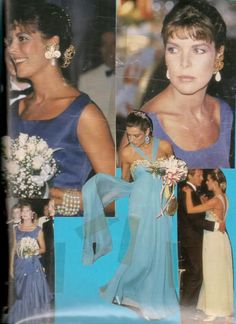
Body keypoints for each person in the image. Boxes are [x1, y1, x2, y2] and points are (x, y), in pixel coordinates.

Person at [6, 0, 115, 215]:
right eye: (9, 41)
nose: (11, 49)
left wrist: (71, 200)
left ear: (52, 44)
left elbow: (116, 198)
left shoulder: (84, 114)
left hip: (63, 239)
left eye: (22, 39)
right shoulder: (15, 109)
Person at [82, 110, 183, 320]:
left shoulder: (164, 147)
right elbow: (126, 180)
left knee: (159, 252)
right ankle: (122, 290)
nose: (131, 139)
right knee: (140, 253)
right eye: (128, 135)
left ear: (148, 131)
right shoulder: (127, 153)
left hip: (161, 207)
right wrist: (103, 188)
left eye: (136, 135)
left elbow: (175, 176)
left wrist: (172, 183)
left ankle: (151, 300)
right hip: (138, 206)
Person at [125, 0, 233, 168]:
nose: (184, 63)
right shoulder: (145, 128)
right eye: (174, 49)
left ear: (219, 55)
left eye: (198, 50)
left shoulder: (226, 114)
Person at [183, 169, 233, 321]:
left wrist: (187, 194)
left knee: (213, 272)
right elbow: (215, 213)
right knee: (219, 272)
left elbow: (190, 210)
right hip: (220, 238)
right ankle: (219, 308)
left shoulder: (216, 199)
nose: (206, 182)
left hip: (213, 239)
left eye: (209, 180)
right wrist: (206, 203)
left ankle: (214, 309)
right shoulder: (223, 197)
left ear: (216, 183)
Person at [7, 203, 51, 323]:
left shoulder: (38, 230)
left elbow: (43, 249)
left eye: (27, 211)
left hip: (33, 266)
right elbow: (13, 249)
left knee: (32, 293)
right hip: (19, 265)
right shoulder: (17, 229)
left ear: (32, 214)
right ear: (21, 214)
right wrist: (11, 267)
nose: (24, 213)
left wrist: (32, 250)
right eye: (23, 211)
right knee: (21, 293)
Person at [78, 29, 116, 141]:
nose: (109, 50)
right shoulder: (87, 79)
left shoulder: (132, 75)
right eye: (105, 44)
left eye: (113, 43)